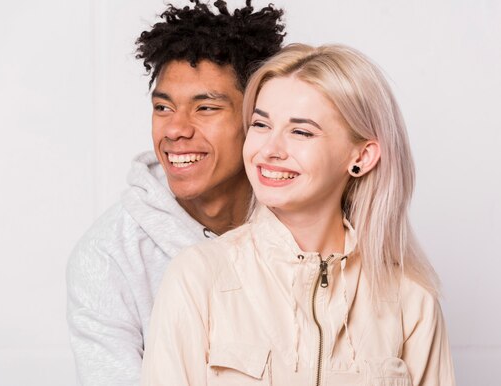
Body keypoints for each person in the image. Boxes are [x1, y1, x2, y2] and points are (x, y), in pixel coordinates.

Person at [141, 44, 455, 386]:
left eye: (301, 131)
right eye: (261, 125)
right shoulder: (199, 277)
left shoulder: (411, 298)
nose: (269, 150)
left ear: (362, 157)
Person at [66, 0, 285, 386]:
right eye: (163, 107)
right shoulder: (108, 257)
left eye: (205, 107)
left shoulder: (307, 219)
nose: (175, 129)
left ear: (256, 117)